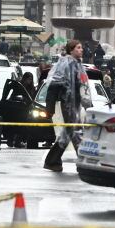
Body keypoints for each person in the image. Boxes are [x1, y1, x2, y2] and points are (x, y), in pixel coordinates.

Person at [43, 40, 86, 172]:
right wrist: (49, 108)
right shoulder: (64, 63)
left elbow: (84, 84)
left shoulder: (78, 64)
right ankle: (84, 162)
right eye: (79, 48)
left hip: (75, 103)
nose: (81, 50)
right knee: (74, 130)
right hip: (67, 102)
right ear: (71, 50)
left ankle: (52, 160)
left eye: (81, 47)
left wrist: (87, 101)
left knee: (69, 132)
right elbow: (54, 85)